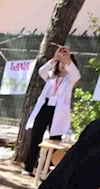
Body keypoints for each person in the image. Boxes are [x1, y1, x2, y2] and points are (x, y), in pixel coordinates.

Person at [21, 46, 81, 177]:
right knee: (36, 135)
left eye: (66, 63)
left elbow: (76, 74)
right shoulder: (50, 76)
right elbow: (41, 70)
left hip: (58, 111)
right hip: (45, 107)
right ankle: (28, 166)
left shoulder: (70, 79)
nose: (62, 65)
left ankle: (47, 169)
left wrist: (68, 60)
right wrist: (54, 58)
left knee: (55, 139)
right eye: (61, 62)